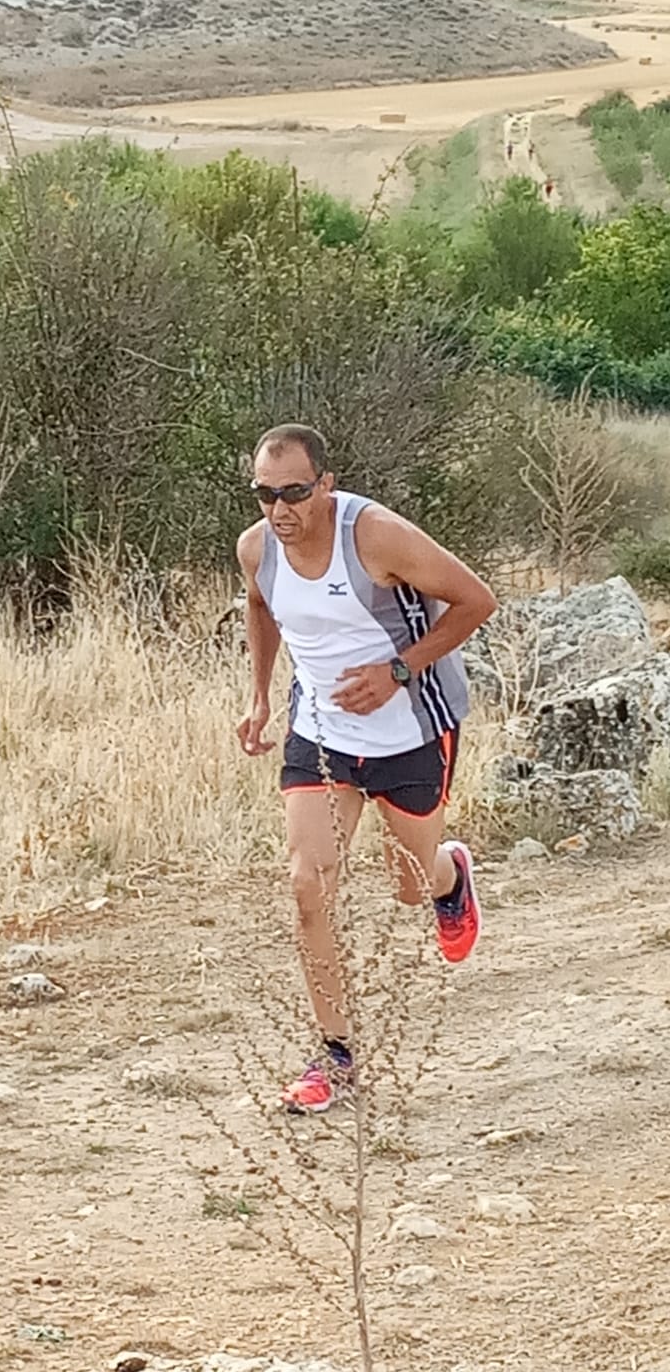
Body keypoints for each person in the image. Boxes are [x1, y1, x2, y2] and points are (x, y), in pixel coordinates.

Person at [235, 423, 497, 1114]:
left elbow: (477, 600)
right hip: (321, 734)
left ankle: (447, 875)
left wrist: (397, 671)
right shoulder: (257, 549)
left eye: (293, 491)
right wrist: (260, 694)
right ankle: (335, 1057)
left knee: (409, 885)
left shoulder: (374, 535)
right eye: (265, 494)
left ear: (326, 482)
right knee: (306, 885)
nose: (279, 510)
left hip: (409, 728)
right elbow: (261, 608)